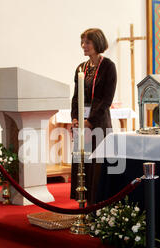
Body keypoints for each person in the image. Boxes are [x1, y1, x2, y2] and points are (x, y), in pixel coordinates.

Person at [70, 28, 117, 205]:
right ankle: (82, 200)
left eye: (87, 42)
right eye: (82, 42)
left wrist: (90, 121)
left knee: (97, 163)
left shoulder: (108, 66)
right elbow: (76, 97)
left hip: (99, 121)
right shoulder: (81, 68)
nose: (83, 46)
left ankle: (97, 202)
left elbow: (107, 99)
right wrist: (75, 118)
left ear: (97, 43)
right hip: (82, 120)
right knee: (82, 160)